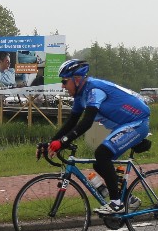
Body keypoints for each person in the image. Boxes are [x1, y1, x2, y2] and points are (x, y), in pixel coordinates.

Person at [44, 58, 150, 215]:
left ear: (77, 79)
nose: (62, 86)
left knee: (102, 154)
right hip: (124, 125)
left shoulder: (94, 90)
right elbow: (72, 122)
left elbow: (86, 122)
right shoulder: (80, 96)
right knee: (99, 164)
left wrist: (63, 141)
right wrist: (51, 143)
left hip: (137, 122)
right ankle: (129, 200)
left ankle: (116, 204)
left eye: (65, 81)